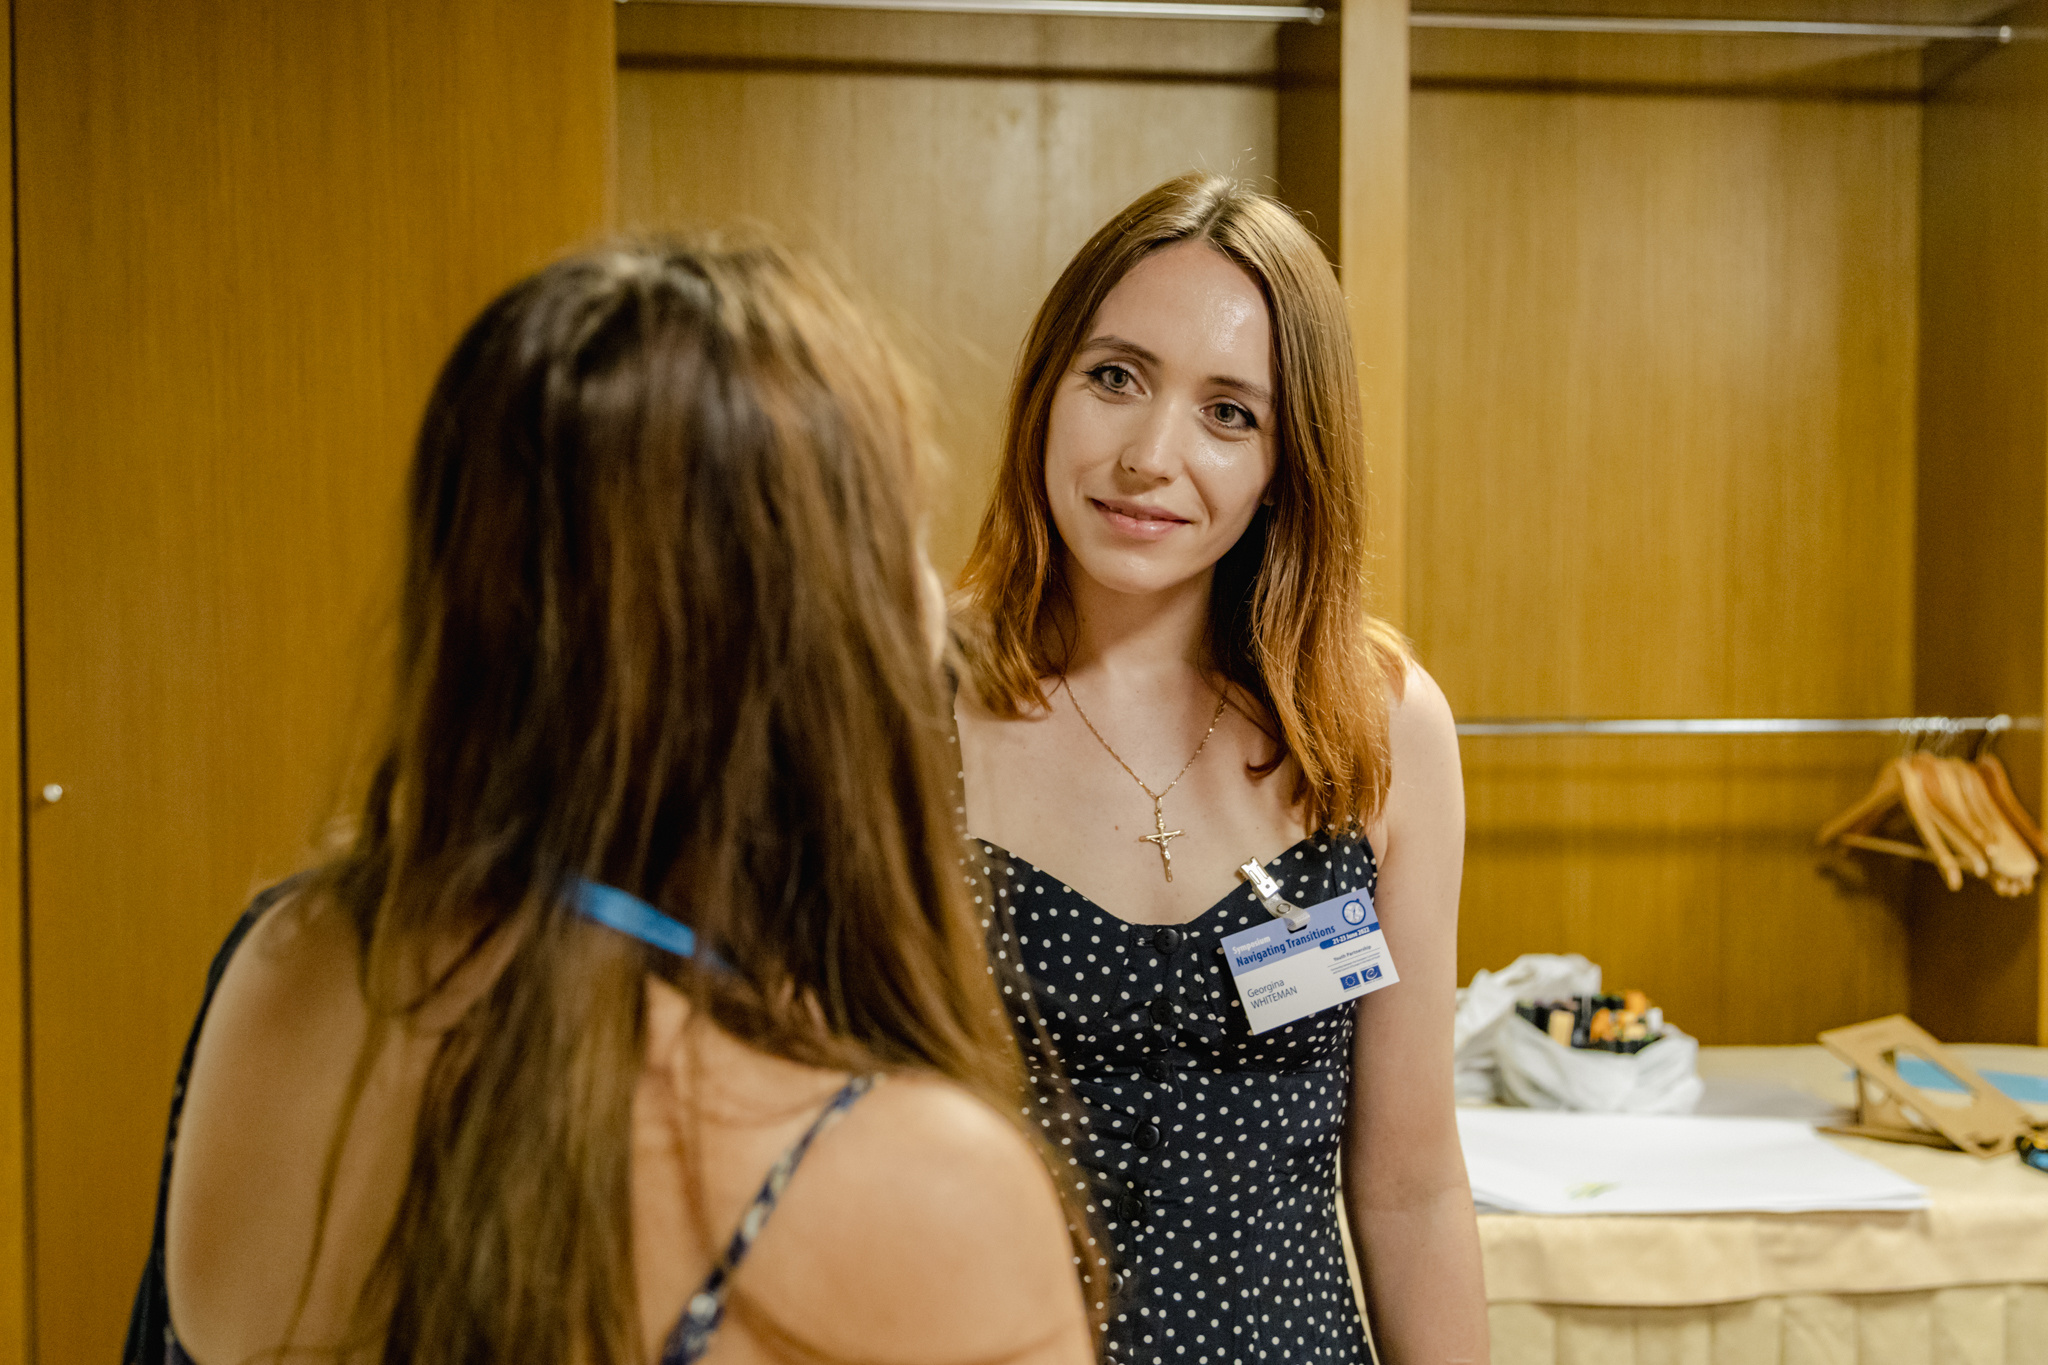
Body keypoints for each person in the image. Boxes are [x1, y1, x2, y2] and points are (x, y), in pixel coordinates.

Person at [126, 242, 1098, 1365]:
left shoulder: (286, 965)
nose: (935, 598)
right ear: (817, 642)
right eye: (900, 537)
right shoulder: (928, 1191)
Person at [953, 173, 1488, 1363]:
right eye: (1114, 378)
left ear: (1288, 461)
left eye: (1228, 413)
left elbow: (1409, 1186)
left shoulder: (1378, 723)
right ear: (1044, 390)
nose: (1150, 456)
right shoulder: (896, 705)